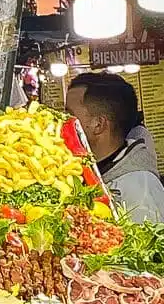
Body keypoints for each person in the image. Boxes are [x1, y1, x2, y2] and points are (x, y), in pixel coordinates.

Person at [65, 73, 164, 223]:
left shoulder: (139, 193)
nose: (62, 122)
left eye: (69, 115)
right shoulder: (90, 168)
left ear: (98, 125)